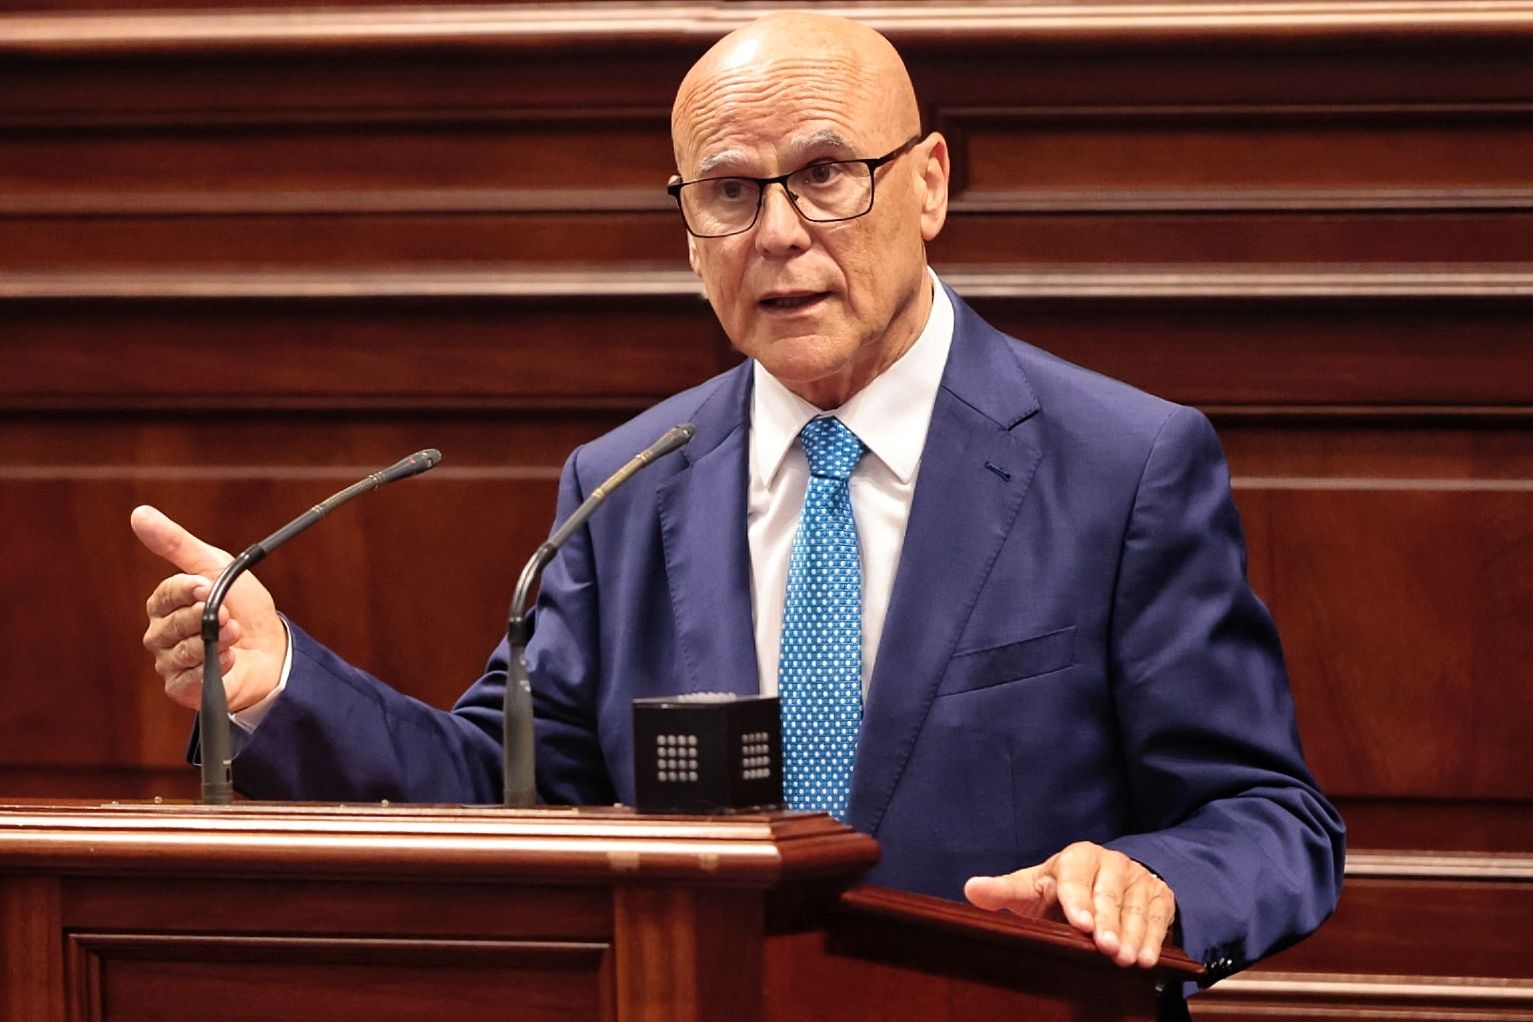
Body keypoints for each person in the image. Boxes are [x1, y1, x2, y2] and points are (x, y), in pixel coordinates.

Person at [132, 10, 1343, 1004]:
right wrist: (285, 680)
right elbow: (511, 802)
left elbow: (1270, 816)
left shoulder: (1124, 463)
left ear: (928, 184)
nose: (777, 233)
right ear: (686, 228)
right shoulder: (621, 485)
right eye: (727, 191)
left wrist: (1155, 878)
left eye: (824, 175)